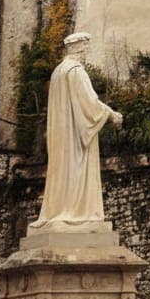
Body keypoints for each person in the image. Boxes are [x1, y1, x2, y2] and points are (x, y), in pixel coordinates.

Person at [30, 32, 123, 231]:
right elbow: (89, 103)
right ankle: (78, 212)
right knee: (77, 172)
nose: (87, 50)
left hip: (61, 136)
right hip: (76, 136)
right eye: (85, 46)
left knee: (61, 174)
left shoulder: (58, 72)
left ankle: (56, 211)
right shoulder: (76, 71)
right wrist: (111, 114)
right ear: (79, 47)